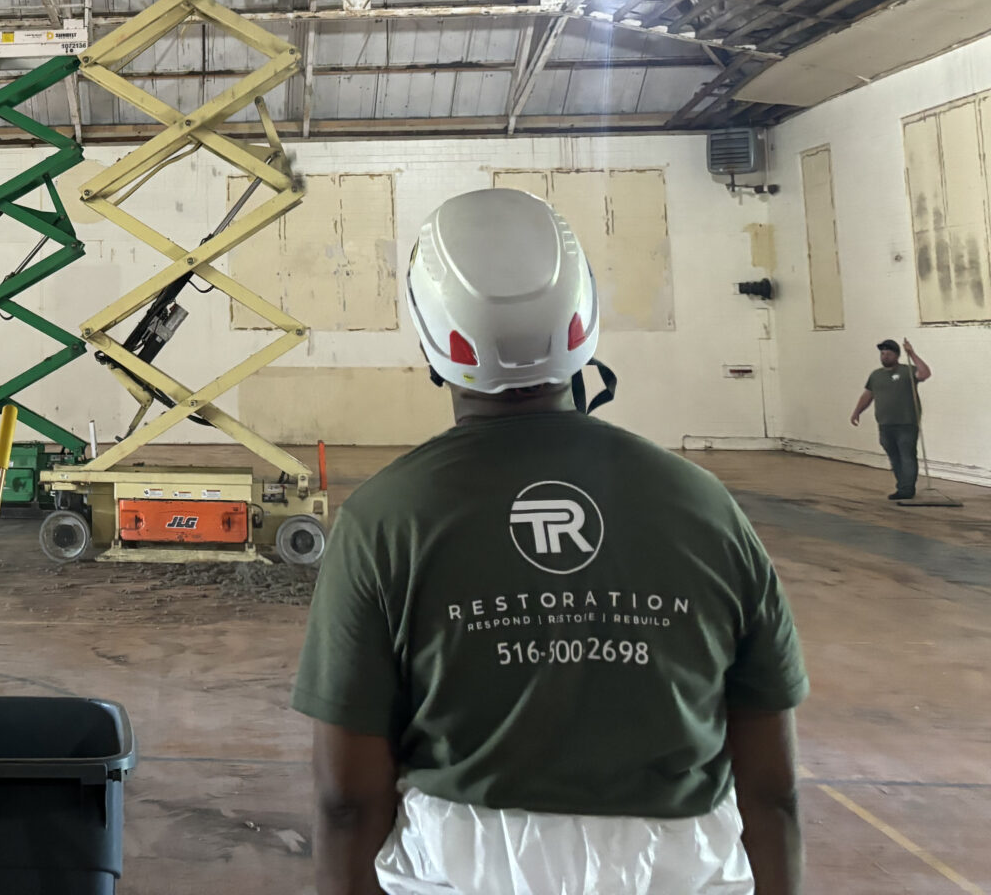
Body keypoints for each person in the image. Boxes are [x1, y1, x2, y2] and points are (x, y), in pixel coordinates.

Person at [295, 187, 808, 895]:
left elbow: (348, 802)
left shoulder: (383, 520)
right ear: (585, 316)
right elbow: (772, 790)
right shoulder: (706, 508)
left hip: (463, 871)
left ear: (432, 337)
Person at [849, 337, 932, 500]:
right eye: (882, 353)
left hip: (906, 423)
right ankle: (902, 486)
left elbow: (925, 373)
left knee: (907, 455)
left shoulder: (906, 371)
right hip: (885, 424)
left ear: (897, 355)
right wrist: (857, 411)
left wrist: (912, 353)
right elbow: (868, 395)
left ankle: (907, 489)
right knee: (894, 457)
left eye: (888, 353)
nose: (884, 356)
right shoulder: (876, 375)